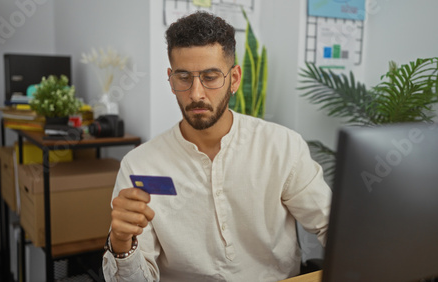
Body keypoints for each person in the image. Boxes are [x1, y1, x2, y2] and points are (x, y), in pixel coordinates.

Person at [102, 11, 332, 282]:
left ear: (234, 79)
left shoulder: (282, 147)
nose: (196, 93)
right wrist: (121, 243)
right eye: (184, 77)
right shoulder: (140, 164)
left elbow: (333, 226)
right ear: (171, 78)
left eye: (210, 77)